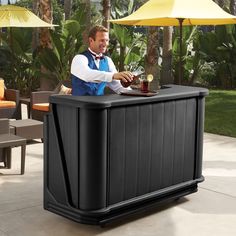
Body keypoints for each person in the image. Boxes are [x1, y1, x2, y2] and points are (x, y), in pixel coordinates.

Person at [71, 25, 134, 96]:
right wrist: (113, 75)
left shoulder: (108, 60)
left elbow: (118, 86)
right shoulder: (79, 58)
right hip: (80, 105)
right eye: (102, 40)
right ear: (91, 40)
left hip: (100, 105)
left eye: (107, 40)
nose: (105, 44)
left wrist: (136, 94)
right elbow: (87, 75)